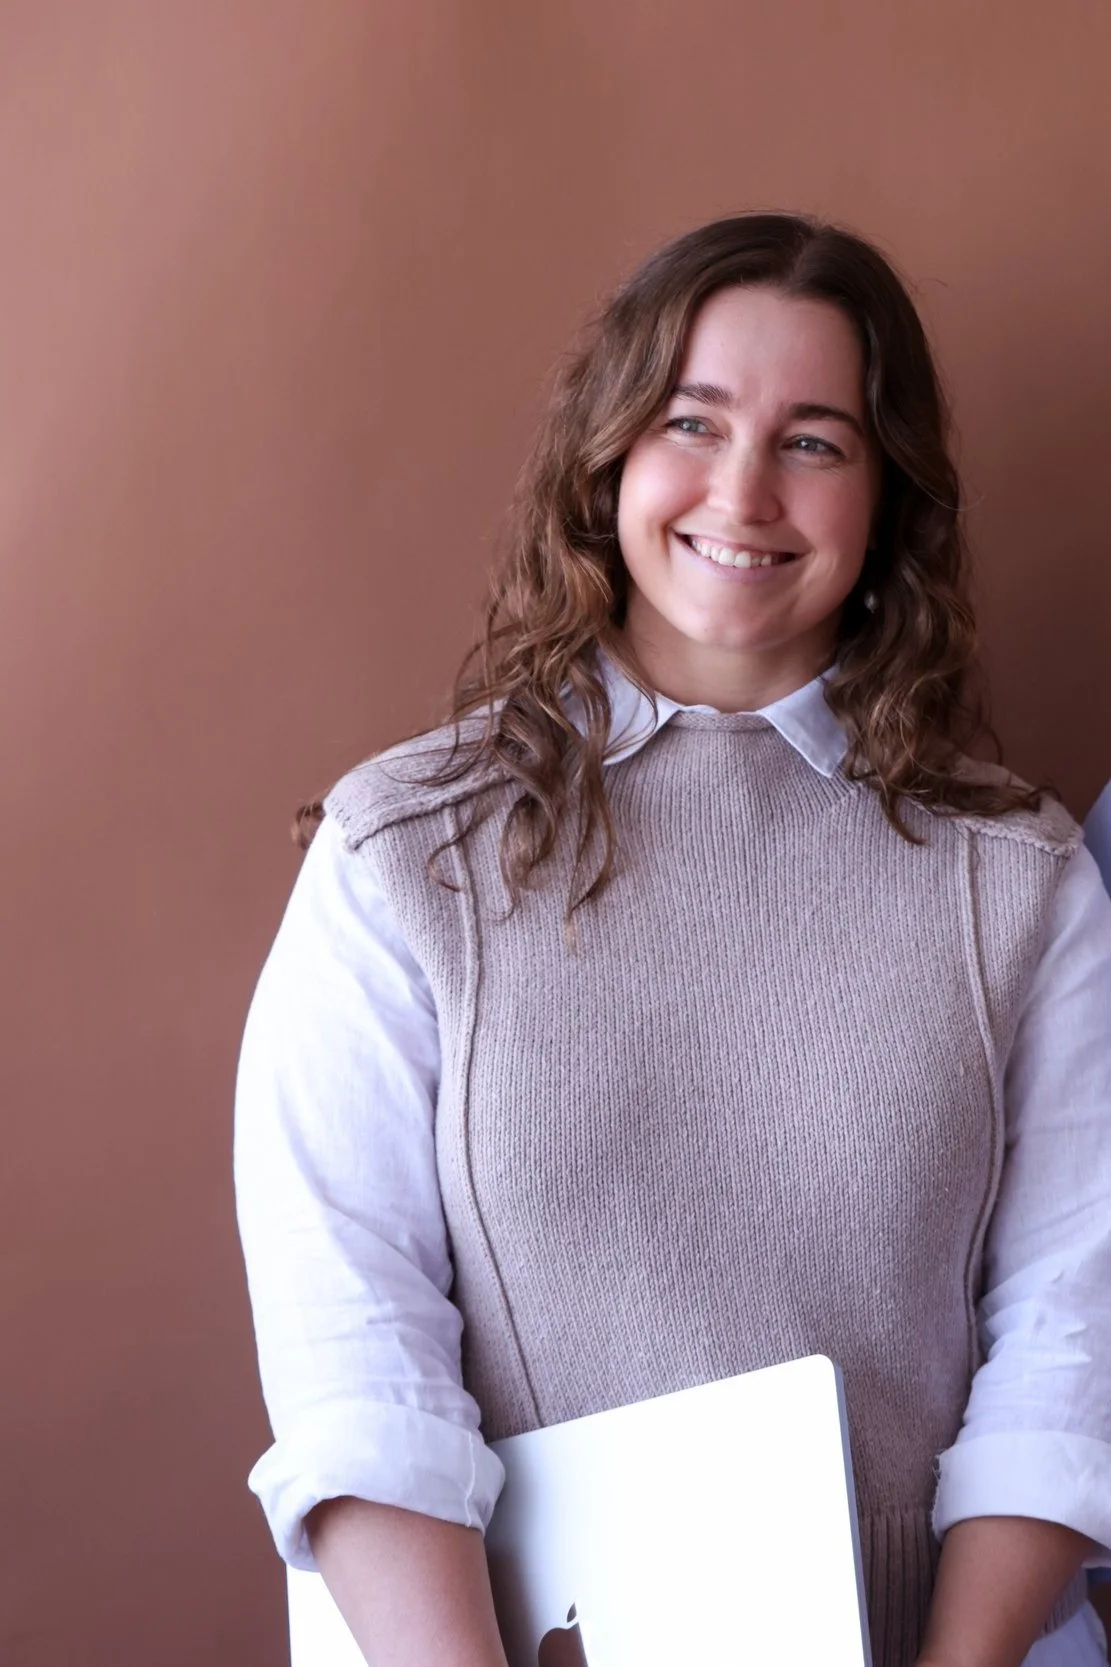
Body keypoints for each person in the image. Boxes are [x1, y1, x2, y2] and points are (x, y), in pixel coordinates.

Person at [234, 213, 1111, 1667]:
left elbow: (1066, 1357)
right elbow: (356, 1373)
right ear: (607, 458)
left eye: (815, 441)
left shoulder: (1018, 879)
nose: (742, 488)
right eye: (689, 422)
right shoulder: (401, 853)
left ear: (887, 493)